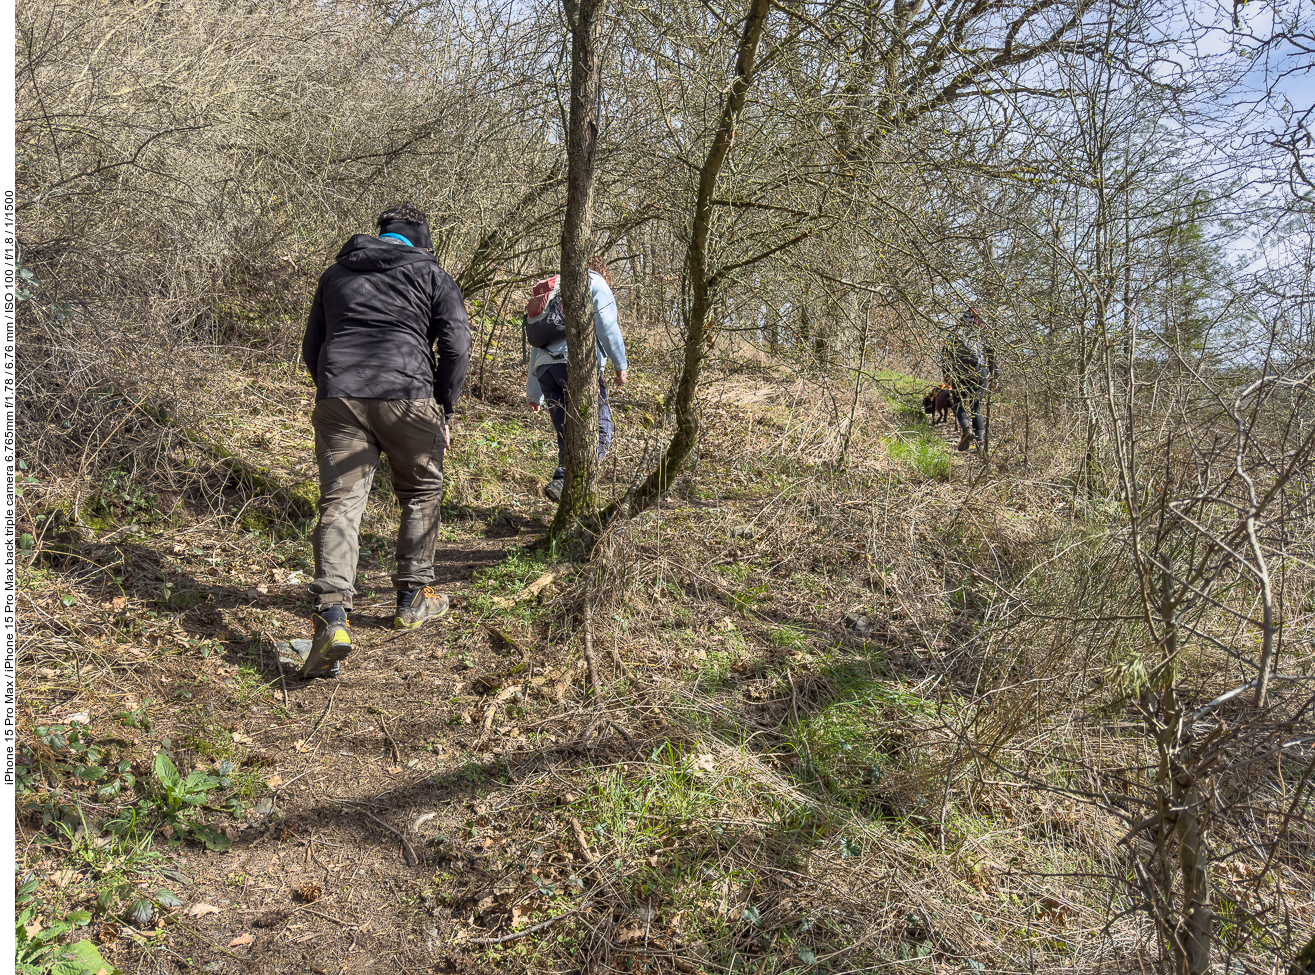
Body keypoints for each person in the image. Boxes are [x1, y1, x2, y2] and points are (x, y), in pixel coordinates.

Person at [299, 203, 471, 678]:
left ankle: (332, 616)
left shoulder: (337, 274)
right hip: (408, 394)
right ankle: (413, 596)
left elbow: (313, 345)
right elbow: (456, 344)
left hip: (340, 397)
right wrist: (444, 406)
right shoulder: (431, 274)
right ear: (421, 239)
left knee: (340, 503)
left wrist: (336, 390)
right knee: (420, 491)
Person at [525, 256, 628, 501]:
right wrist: (620, 363)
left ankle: (563, 483)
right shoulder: (593, 281)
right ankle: (576, 480)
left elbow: (537, 343)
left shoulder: (556, 289)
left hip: (546, 372)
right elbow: (605, 322)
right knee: (600, 431)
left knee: (566, 435)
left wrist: (533, 392)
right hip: (575, 366)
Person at [941, 307, 997, 452]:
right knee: (976, 406)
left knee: (959, 404)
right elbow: (991, 353)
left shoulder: (956, 331)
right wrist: (994, 374)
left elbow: (946, 352)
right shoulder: (982, 331)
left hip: (960, 372)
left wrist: (946, 373)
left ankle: (966, 430)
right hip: (980, 370)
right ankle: (980, 443)